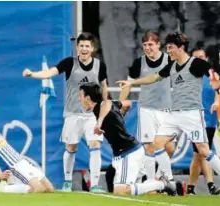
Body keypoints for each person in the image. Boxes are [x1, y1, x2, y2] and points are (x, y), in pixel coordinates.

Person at [117, 32, 220, 190]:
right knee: (156, 144)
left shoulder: (196, 64)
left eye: (170, 48)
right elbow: (154, 77)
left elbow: (214, 77)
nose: (169, 51)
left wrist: (217, 88)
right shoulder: (172, 65)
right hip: (174, 114)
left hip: (192, 114)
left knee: (204, 151)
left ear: (181, 48)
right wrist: (132, 83)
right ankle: (167, 181)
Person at [22, 32, 108, 192]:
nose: (84, 49)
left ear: (92, 48)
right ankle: (67, 182)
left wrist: (104, 110)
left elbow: (104, 89)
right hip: (73, 114)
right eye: (81, 45)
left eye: (87, 46)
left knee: (95, 145)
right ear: (77, 47)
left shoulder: (99, 66)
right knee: (71, 148)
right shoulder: (69, 63)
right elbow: (50, 72)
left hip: (92, 115)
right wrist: (32, 74)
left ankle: (95, 184)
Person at [79, 82, 186, 196]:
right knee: (129, 190)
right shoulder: (110, 107)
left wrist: (99, 123)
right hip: (128, 153)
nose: (79, 99)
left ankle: (163, 184)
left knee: (120, 192)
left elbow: (107, 102)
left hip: (128, 153)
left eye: (80, 96)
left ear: (88, 98)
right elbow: (128, 103)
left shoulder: (100, 107)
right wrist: (119, 115)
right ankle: (169, 185)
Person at [119, 31, 176, 180]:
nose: (147, 47)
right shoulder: (139, 63)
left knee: (169, 148)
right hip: (146, 108)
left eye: (150, 44)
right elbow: (127, 84)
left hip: (166, 109)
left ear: (158, 45)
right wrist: (120, 105)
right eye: (144, 45)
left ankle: (158, 177)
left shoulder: (169, 60)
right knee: (149, 146)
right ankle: (151, 183)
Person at [0, 97, 54, 193]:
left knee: (49, 189)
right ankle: (2, 189)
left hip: (22, 162)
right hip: (14, 166)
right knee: (39, 189)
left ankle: (4, 188)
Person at [187, 46, 220, 195]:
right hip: (194, 120)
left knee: (200, 153)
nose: (199, 60)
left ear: (206, 59)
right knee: (201, 152)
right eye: (196, 58)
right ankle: (211, 186)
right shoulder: (189, 76)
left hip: (210, 119)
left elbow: (218, 90)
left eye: (201, 57)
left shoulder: (212, 74)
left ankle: (191, 187)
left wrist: (217, 101)